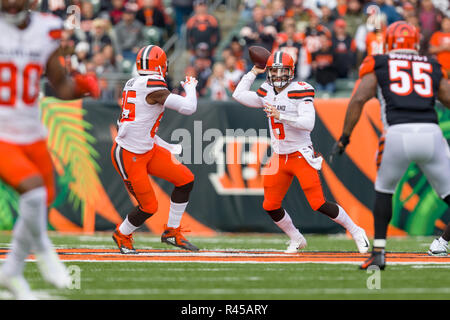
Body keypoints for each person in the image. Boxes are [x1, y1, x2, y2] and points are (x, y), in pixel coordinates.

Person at [0, 0, 100, 299]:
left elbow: (59, 84)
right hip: (2, 133)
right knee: (34, 192)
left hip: (32, 134)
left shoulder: (47, 30)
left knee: (43, 201)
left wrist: (82, 85)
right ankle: (44, 248)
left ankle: (11, 272)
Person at [331, 21, 450, 269]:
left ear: (388, 42)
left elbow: (359, 99)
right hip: (431, 133)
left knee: (384, 190)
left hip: (397, 133)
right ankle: (442, 242)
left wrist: (345, 137)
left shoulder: (380, 62)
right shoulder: (431, 64)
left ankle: (379, 253)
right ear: (416, 43)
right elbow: (448, 97)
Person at [232, 51, 369, 254]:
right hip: (279, 157)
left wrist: (282, 115)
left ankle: (357, 231)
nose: (278, 76)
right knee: (270, 205)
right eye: (274, 71)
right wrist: (252, 71)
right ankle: (296, 238)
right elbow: (238, 95)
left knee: (318, 203)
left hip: (300, 155)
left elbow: (308, 124)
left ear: (291, 72)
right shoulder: (266, 90)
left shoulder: (300, 90)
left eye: (282, 72)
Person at [111, 45, 200, 254]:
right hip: (129, 155)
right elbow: (189, 107)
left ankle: (172, 231)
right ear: (159, 64)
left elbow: (141, 123)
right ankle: (122, 234)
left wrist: (164, 145)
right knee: (149, 207)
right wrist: (191, 86)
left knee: (185, 180)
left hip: (146, 148)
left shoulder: (133, 82)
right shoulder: (152, 84)